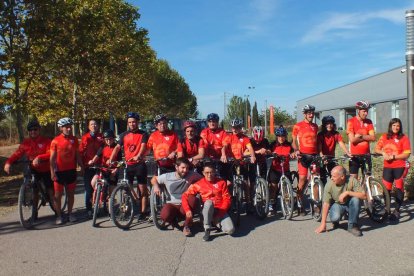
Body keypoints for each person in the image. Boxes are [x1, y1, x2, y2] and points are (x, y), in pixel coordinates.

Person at [4, 120, 56, 220]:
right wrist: (8, 162)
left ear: (39, 130)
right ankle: (34, 213)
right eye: (30, 130)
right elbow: (17, 154)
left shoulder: (46, 141)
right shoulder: (26, 143)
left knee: (50, 190)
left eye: (35, 129)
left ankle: (56, 211)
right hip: (33, 169)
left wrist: (39, 157)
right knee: (34, 190)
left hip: (46, 168)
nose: (33, 132)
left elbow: (51, 153)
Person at [109, 112, 149, 220]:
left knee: (142, 189)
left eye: (134, 122)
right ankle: (126, 210)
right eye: (130, 122)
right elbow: (117, 148)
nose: (132, 124)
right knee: (126, 188)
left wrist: (139, 155)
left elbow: (143, 146)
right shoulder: (123, 135)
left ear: (137, 122)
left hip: (139, 164)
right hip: (128, 165)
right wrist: (111, 159)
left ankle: (143, 212)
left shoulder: (143, 134)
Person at [182, 163, 235, 242]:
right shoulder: (198, 184)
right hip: (207, 210)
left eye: (211, 172)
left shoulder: (222, 183)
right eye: (207, 173)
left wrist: (219, 215)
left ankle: (215, 221)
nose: (209, 175)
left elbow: (227, 199)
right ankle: (207, 228)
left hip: (220, 210)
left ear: (215, 172)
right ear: (203, 173)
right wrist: (187, 210)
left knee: (230, 230)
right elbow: (184, 195)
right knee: (209, 202)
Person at [150, 158, 203, 236]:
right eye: (183, 168)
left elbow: (204, 180)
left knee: (193, 199)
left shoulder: (192, 175)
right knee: (164, 215)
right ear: (176, 167)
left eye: (187, 168)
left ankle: (186, 226)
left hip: (185, 204)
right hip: (172, 204)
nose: (185, 170)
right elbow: (154, 179)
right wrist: (156, 186)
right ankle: (173, 221)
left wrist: (196, 186)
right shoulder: (167, 176)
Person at [375, 118, 411, 221]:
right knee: (386, 189)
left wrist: (394, 157)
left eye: (398, 126)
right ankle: (387, 210)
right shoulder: (384, 137)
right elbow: (376, 149)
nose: (396, 127)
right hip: (387, 167)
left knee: (399, 188)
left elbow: (407, 154)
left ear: (400, 127)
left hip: (400, 166)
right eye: (394, 125)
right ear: (390, 126)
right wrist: (383, 153)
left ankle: (397, 210)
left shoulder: (404, 138)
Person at [315, 165, 366, 237]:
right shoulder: (329, 184)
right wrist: (323, 224)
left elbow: (364, 196)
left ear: (342, 177)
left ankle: (352, 226)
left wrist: (348, 193)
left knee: (356, 200)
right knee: (335, 217)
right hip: (337, 204)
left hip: (349, 204)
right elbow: (326, 204)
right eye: (331, 176)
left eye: (334, 176)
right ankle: (336, 221)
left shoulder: (352, 180)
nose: (331, 178)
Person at [50, 117, 83, 224]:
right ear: (61, 128)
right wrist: (52, 172)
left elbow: (77, 154)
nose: (69, 129)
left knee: (70, 194)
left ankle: (70, 214)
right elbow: (52, 159)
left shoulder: (74, 140)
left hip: (71, 171)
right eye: (66, 127)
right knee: (57, 196)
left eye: (70, 127)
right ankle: (59, 216)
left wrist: (81, 166)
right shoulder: (55, 141)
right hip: (59, 171)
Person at [223, 118, 256, 212]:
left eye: (237, 127)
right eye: (233, 127)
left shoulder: (245, 138)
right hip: (231, 163)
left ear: (240, 128)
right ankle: (231, 202)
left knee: (246, 184)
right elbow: (224, 147)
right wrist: (224, 154)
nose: (234, 129)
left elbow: (250, 148)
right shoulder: (229, 137)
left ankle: (248, 203)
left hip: (242, 163)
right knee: (229, 184)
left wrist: (252, 156)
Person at [292, 104, 318, 215]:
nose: (311, 115)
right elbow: (293, 141)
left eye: (312, 113)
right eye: (309, 113)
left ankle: (316, 204)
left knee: (315, 179)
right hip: (303, 156)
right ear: (305, 114)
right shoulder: (297, 126)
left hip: (314, 156)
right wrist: (296, 150)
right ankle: (299, 202)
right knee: (302, 179)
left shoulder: (315, 126)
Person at [89, 129, 122, 210]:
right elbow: (97, 155)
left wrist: (116, 169)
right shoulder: (103, 146)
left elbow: (120, 162)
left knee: (111, 192)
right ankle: (99, 194)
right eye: (106, 139)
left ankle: (111, 212)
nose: (108, 141)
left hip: (112, 171)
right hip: (103, 169)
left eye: (110, 139)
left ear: (113, 139)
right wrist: (92, 161)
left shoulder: (117, 148)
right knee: (93, 182)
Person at [79, 119, 104, 218]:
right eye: (91, 124)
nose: (94, 126)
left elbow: (105, 149)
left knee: (100, 187)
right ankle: (89, 209)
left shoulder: (101, 137)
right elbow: (80, 153)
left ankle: (103, 205)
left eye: (95, 124)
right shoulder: (85, 138)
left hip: (99, 166)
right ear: (88, 126)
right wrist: (81, 166)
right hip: (88, 167)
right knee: (88, 189)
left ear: (98, 126)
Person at [346, 101, 376, 179]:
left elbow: (373, 137)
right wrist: (367, 137)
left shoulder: (369, 122)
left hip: (366, 155)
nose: (366, 113)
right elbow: (352, 140)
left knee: (368, 179)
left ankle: (366, 191)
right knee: (353, 181)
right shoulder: (351, 122)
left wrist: (361, 136)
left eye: (367, 111)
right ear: (358, 111)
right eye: (364, 111)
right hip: (354, 156)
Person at [317, 115, 350, 184]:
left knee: (335, 176)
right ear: (324, 125)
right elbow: (319, 148)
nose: (329, 125)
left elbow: (341, 143)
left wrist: (347, 152)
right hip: (322, 158)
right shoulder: (321, 135)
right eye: (327, 124)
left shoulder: (336, 134)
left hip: (331, 158)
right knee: (322, 179)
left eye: (331, 123)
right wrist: (322, 157)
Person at [268, 127, 294, 212]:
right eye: (279, 136)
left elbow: (293, 152)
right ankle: (272, 203)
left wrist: (293, 154)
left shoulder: (289, 145)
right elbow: (268, 152)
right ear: (276, 136)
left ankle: (288, 202)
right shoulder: (273, 145)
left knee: (287, 186)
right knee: (273, 186)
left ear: (285, 136)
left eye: (283, 136)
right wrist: (271, 153)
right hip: (275, 169)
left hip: (285, 169)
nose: (281, 138)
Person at [200, 113, 229, 181]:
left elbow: (225, 145)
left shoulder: (222, 132)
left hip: (220, 158)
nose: (212, 123)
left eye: (214, 121)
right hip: (208, 159)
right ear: (207, 122)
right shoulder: (204, 132)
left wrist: (223, 154)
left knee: (225, 179)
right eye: (210, 121)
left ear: (217, 122)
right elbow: (204, 144)